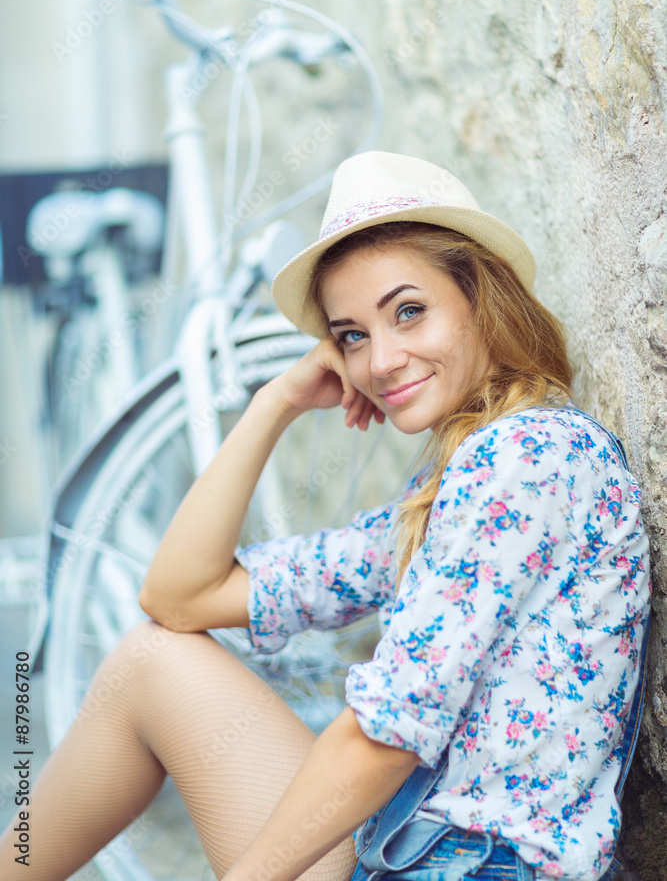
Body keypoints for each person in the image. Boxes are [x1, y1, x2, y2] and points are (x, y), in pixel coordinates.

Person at [0, 151, 650, 881]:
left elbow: (388, 733)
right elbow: (178, 599)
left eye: (409, 311)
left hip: (480, 868)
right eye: (351, 335)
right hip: (408, 854)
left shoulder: (526, 456)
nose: (381, 360)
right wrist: (272, 403)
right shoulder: (448, 489)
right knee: (149, 661)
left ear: (481, 299)